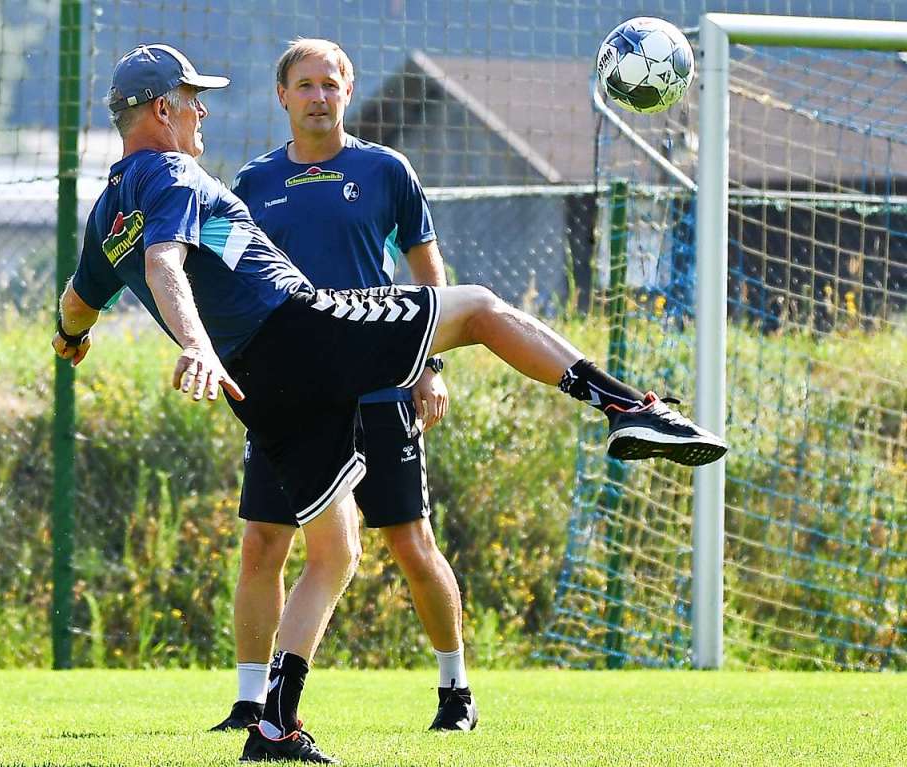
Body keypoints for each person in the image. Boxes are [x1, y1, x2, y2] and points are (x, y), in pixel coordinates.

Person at [53, 43, 726, 765]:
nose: (203, 109)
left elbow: (78, 302)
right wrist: (194, 342)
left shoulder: (107, 212)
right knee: (477, 308)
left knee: (336, 549)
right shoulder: (176, 171)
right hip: (300, 331)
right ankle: (629, 408)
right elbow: (165, 262)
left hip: (264, 391)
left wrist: (68, 340)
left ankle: (275, 727)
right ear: (163, 110)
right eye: (193, 98)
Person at [208, 38, 475, 735]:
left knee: (410, 542)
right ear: (283, 96)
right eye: (305, 85)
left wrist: (428, 366)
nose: (319, 96)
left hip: (379, 386)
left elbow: (426, 267)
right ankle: (248, 702)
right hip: (291, 400)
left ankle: (456, 690)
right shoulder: (252, 184)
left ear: (347, 92)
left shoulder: (386, 169)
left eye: (331, 84)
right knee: (262, 543)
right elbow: (223, 281)